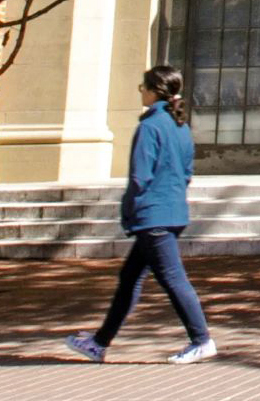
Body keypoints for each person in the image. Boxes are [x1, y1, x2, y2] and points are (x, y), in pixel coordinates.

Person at [65, 65, 217, 364]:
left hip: (153, 216)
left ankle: (201, 340)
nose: (141, 93)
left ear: (153, 90)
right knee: (130, 277)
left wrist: (130, 211)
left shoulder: (150, 126)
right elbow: (187, 172)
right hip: (171, 211)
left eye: (142, 87)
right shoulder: (179, 126)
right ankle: (99, 342)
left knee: (172, 278)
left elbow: (140, 177)